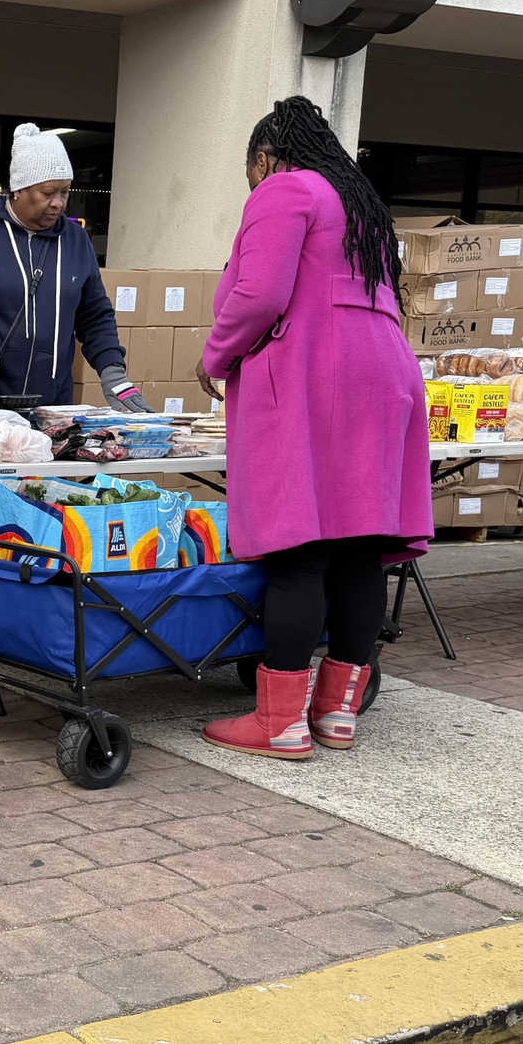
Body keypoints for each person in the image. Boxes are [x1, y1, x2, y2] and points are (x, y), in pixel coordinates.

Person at [197, 96, 433, 759]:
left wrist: (215, 356)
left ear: (266, 159)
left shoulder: (286, 189)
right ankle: (336, 715)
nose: (253, 187)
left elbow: (260, 293)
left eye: (251, 175)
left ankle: (278, 722)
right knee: (360, 548)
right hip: (385, 380)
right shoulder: (363, 206)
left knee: (299, 548)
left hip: (316, 378)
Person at [0, 122, 144, 527]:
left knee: (40, 524)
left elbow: (94, 314)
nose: (58, 203)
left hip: (49, 417)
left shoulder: (75, 244)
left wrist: (114, 374)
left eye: (65, 192)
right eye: (48, 192)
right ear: (18, 189)